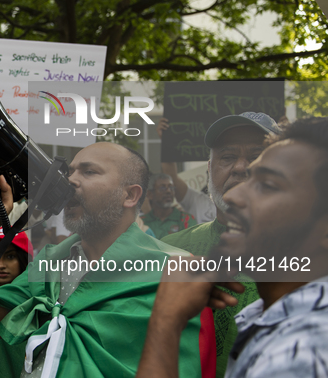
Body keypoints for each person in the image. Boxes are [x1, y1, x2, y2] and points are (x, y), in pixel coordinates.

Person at [0, 142, 215, 377]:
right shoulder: (49, 266)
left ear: (130, 195)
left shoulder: (175, 271)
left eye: (89, 172)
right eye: (70, 171)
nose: (70, 181)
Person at [136, 117, 328, 378]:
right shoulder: (260, 317)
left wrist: (165, 322)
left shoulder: (300, 353)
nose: (232, 195)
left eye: (268, 185)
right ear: (208, 168)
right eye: (227, 157)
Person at [160, 112, 281, 378]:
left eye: (256, 156)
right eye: (227, 157)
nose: (240, 167)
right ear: (209, 169)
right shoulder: (164, 250)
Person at [158, 118, 216, 224]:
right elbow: (171, 177)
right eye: (210, 173)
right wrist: (166, 141)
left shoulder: (248, 203)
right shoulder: (196, 201)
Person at [141, 173, 197, 239]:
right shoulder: (142, 223)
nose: (168, 191)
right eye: (162, 188)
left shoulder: (186, 219)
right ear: (150, 194)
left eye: (171, 187)